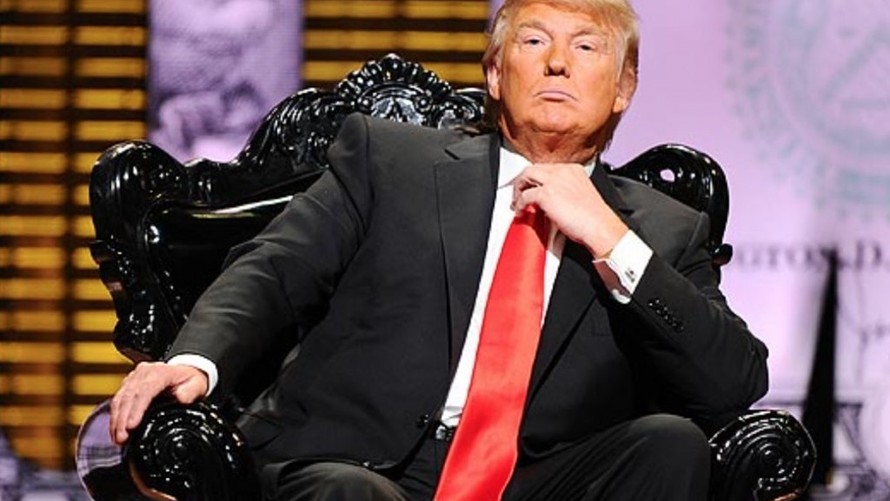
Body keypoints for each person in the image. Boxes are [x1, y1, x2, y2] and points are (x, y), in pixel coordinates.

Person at [109, 0, 769, 499]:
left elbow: (732, 383)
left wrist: (612, 239)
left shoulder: (664, 228)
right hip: (363, 464)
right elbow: (276, 267)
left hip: (536, 477)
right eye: (534, 40)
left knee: (670, 443)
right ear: (495, 73)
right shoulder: (390, 162)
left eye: (586, 46)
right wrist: (194, 360)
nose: (557, 62)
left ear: (624, 87)